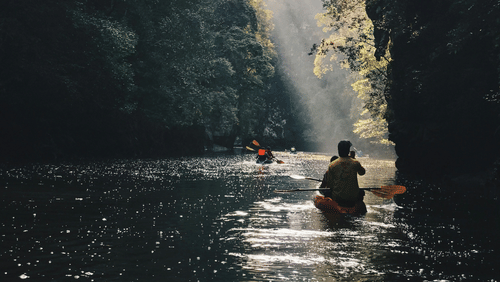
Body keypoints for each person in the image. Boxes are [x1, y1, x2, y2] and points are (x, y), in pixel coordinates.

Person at [324, 141, 366, 207]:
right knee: (361, 192)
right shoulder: (355, 163)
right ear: (348, 151)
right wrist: (353, 158)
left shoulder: (332, 165)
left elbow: (330, 184)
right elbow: (362, 173)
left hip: (337, 198)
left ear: (338, 150)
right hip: (353, 198)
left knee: (326, 191)